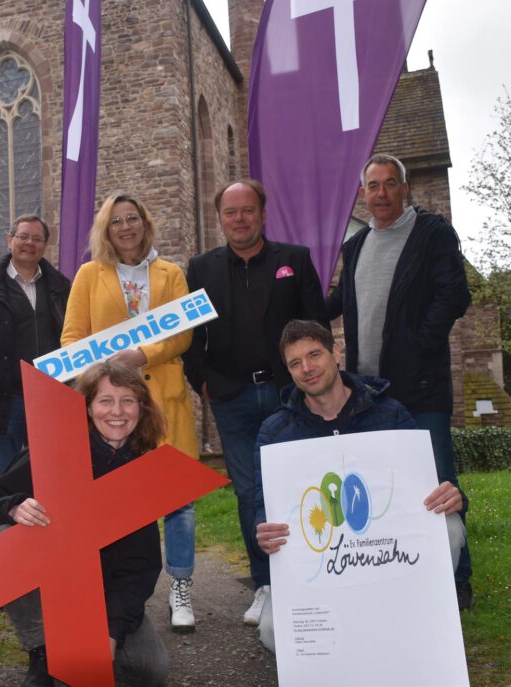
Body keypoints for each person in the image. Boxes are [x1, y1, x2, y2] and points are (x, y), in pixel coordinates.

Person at [252, 319, 466, 652]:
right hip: (323, 561)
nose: (307, 368)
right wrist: (262, 529)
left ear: (336, 354)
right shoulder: (275, 432)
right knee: (271, 631)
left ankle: (417, 615)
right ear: (289, 371)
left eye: (314, 355)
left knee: (450, 525)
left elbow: (431, 483)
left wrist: (452, 495)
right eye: (295, 363)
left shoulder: (390, 413)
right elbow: (263, 503)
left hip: (388, 554)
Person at [325, 154, 474, 608]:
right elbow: (337, 302)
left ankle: (458, 580)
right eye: (373, 186)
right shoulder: (357, 246)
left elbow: (455, 294)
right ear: (363, 194)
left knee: (438, 482)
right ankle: (399, 572)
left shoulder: (432, 233)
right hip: (368, 390)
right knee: (383, 482)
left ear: (404, 189)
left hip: (421, 385)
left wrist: (420, 343)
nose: (382, 193)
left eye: (391, 184)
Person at [182, 179, 328, 627]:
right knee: (249, 492)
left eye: (247, 210)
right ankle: (265, 583)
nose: (239, 219)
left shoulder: (295, 261)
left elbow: (317, 326)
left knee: (302, 483)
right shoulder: (201, 269)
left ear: (262, 214)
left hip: (290, 395)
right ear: (220, 218)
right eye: (231, 212)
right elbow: (191, 336)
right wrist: (202, 381)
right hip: (232, 396)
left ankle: (313, 575)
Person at [0, 360, 170, 687]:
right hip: (55, 591)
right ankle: (43, 648)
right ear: (88, 408)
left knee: (150, 669)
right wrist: (14, 506)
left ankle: (87, 648)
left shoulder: (143, 473)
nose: (116, 411)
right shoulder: (54, 450)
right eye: (105, 400)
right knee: (4, 538)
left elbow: (141, 566)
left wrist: (111, 630)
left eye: (127, 400)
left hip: (106, 595)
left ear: (141, 408)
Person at [60, 193, 200, 632]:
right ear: (106, 228)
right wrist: (101, 374)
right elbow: (71, 338)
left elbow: (182, 335)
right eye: (116, 220)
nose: (125, 227)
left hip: (165, 399)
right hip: (114, 408)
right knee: (117, 501)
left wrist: (140, 355)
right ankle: (116, 590)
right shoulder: (88, 275)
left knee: (178, 501)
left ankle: (180, 588)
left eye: (132, 218)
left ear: (145, 223)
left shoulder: (171, 273)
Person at [0, 215, 71, 481]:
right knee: (3, 484)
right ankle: (5, 526)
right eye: (23, 237)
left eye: (37, 238)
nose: (29, 243)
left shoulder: (62, 289)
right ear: (10, 240)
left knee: (52, 480)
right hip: (4, 402)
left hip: (51, 399)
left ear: (45, 245)